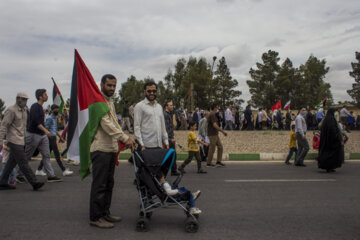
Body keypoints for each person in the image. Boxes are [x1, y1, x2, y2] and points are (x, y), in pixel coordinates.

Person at [89, 74, 135, 228]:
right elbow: (106, 125)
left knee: (109, 183)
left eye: (114, 86)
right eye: (109, 85)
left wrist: (123, 138)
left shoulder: (110, 102)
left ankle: (105, 213)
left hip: (110, 149)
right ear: (101, 85)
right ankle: (95, 217)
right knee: (100, 185)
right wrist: (124, 138)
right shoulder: (97, 102)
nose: (112, 88)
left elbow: (115, 124)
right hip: (100, 148)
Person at [0, 92, 44, 191]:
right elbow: (4, 125)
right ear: (17, 99)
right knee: (23, 162)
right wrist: (1, 140)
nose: (25, 101)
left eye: (26, 99)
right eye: (23, 99)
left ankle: (2, 182)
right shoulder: (11, 110)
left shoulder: (24, 111)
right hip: (13, 140)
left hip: (20, 140)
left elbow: (23, 127)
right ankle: (34, 182)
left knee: (11, 163)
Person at [21, 89, 62, 183]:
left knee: (46, 155)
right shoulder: (35, 106)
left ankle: (51, 175)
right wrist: (46, 131)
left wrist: (45, 132)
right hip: (33, 134)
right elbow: (36, 122)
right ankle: (19, 175)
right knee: (27, 155)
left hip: (42, 135)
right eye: (45, 94)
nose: (47, 96)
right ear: (40, 97)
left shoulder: (41, 108)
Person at [35, 104, 73, 177]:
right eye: (56, 109)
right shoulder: (49, 118)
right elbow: (46, 128)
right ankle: (64, 170)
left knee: (46, 155)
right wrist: (48, 136)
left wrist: (60, 137)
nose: (57, 110)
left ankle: (39, 170)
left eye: (58, 109)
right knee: (57, 154)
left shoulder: (55, 118)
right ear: (52, 110)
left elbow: (54, 129)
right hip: (50, 138)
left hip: (53, 137)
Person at [134, 81, 169, 151]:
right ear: (145, 92)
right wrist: (141, 144)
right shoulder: (139, 106)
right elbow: (136, 127)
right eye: (149, 91)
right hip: (145, 146)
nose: (152, 93)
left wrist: (166, 142)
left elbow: (163, 127)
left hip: (158, 145)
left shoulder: (159, 107)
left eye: (154, 91)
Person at [318, 108, 346, 173]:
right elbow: (334, 130)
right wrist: (338, 137)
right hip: (332, 141)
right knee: (332, 154)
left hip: (325, 141)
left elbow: (321, 127)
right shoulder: (332, 120)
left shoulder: (325, 119)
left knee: (327, 153)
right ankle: (330, 167)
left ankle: (330, 167)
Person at [163, 100, 180, 176]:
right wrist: (170, 138)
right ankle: (171, 171)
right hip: (168, 139)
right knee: (171, 155)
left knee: (172, 155)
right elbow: (166, 128)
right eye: (170, 105)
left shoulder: (169, 114)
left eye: (172, 105)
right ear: (166, 106)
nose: (172, 106)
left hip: (169, 138)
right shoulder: (165, 115)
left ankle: (173, 170)